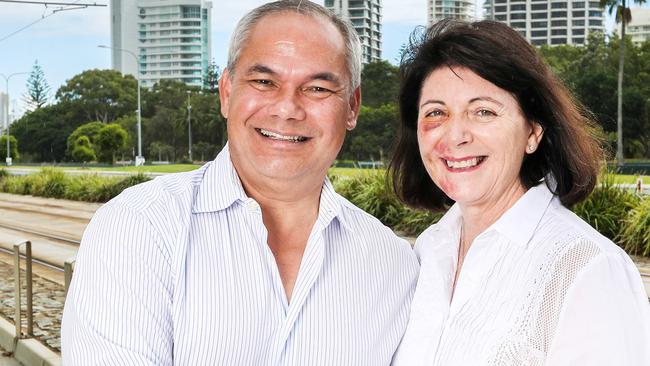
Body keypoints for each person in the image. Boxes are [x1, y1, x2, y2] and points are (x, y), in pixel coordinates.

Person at [61, 2, 419, 364]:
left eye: (317, 89)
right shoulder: (140, 226)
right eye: (264, 82)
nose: (287, 109)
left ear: (352, 107)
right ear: (227, 92)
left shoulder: (393, 263)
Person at [390, 20, 650, 365]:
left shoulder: (587, 270)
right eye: (436, 113)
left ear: (533, 132)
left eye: (483, 111)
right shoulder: (427, 251)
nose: (455, 136)